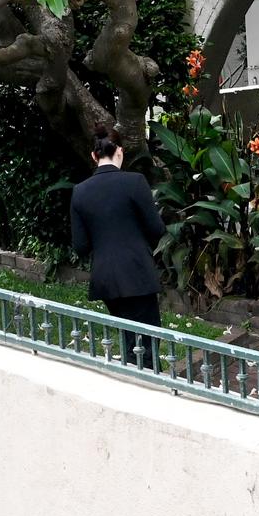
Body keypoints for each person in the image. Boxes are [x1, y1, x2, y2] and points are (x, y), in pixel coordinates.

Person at [71, 124, 166, 364]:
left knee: (128, 338)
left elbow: (80, 245)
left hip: (106, 278)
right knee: (147, 343)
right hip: (138, 273)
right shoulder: (135, 182)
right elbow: (157, 229)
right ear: (120, 152)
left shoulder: (80, 191)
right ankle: (146, 390)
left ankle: (132, 380)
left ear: (94, 156)